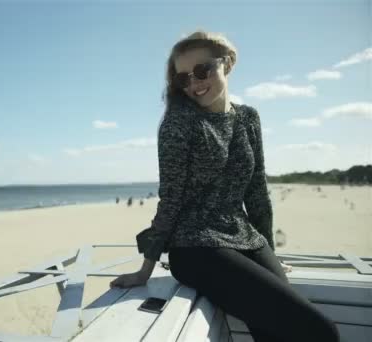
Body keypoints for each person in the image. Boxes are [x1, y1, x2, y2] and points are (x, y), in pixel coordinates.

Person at [109, 30, 339, 341]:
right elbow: (171, 198)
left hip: (246, 238)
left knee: (273, 332)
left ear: (226, 63)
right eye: (183, 79)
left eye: (203, 70)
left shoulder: (248, 118)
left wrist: (268, 246)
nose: (194, 84)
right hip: (196, 246)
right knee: (321, 331)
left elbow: (256, 189)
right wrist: (145, 270)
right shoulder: (179, 122)